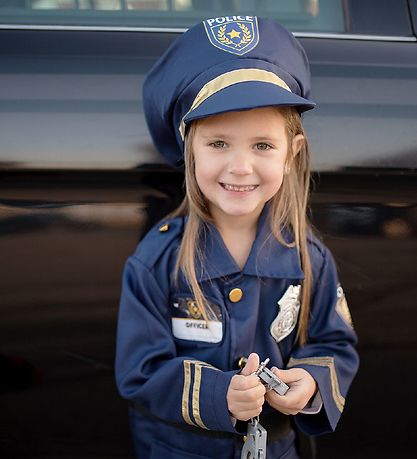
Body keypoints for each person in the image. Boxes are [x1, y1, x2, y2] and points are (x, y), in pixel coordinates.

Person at [115, 15, 359, 459]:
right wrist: (218, 396)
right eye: (219, 143)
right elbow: (139, 370)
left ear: (293, 154)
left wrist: (310, 381)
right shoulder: (156, 259)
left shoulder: (309, 259)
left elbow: (334, 344)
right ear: (189, 147)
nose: (241, 166)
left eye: (262, 145)